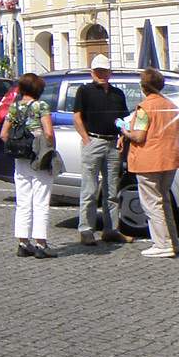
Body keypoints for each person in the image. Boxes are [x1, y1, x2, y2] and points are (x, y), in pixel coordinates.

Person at [123, 68, 179, 258]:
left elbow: (139, 136)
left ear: (143, 87)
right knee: (164, 200)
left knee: (152, 203)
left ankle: (162, 243)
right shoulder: (171, 105)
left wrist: (125, 131)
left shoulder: (144, 108)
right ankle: (172, 241)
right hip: (170, 157)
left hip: (149, 159)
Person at [72, 53, 130, 245]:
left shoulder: (117, 94)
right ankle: (86, 230)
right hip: (94, 141)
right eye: (98, 71)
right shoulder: (84, 91)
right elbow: (77, 117)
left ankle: (111, 229)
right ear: (92, 72)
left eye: (104, 71)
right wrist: (86, 139)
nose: (101, 75)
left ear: (110, 72)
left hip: (113, 143)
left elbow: (123, 119)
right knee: (89, 189)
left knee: (112, 190)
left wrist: (123, 135)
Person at [1, 73, 55, 257]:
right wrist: (50, 149)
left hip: (20, 158)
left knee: (23, 201)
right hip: (38, 156)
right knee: (40, 200)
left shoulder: (14, 107)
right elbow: (48, 133)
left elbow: (3, 134)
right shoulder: (41, 106)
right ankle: (41, 243)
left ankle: (23, 242)